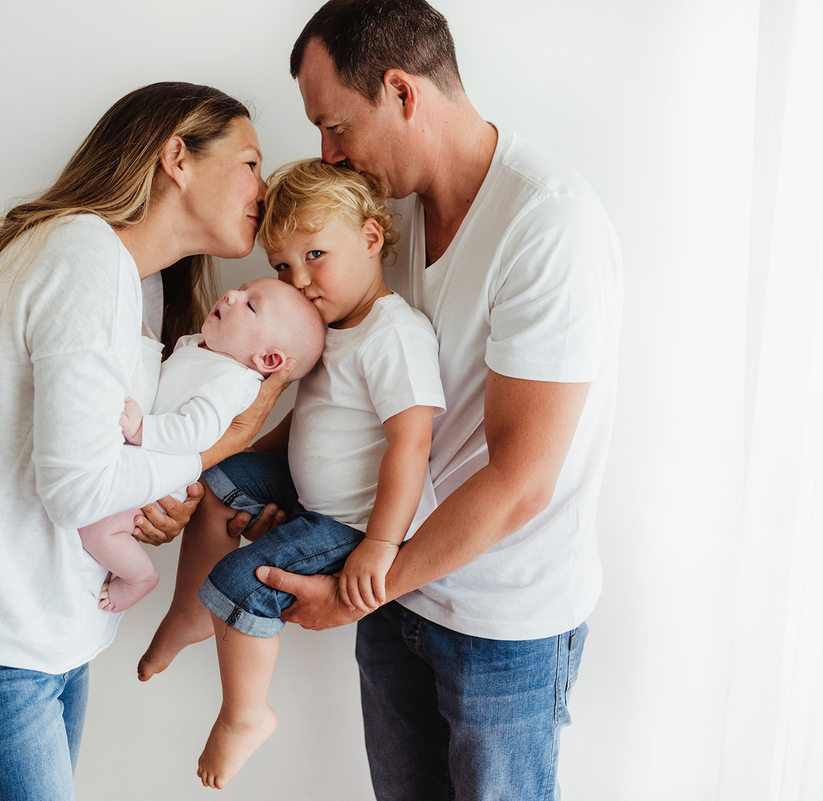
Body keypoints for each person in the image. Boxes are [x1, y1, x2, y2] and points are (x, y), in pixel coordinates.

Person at [241, 2, 623, 799]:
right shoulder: (380, 221)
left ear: (402, 93)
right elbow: (343, 402)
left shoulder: (546, 223)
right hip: (392, 596)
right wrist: (263, 484)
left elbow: (521, 481)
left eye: (335, 126)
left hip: (502, 629)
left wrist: (361, 588)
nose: (327, 155)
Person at [0, 82, 292, 801]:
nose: (265, 186)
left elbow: (104, 463)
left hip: (43, 636)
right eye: (252, 162)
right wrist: (226, 441)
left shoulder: (141, 284)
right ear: (177, 157)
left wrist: (157, 503)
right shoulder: (84, 257)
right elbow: (75, 488)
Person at [139, 158, 446, 789]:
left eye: (314, 255)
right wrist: (224, 459)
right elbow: (306, 432)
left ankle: (245, 714)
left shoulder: (394, 335)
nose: (298, 280)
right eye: (283, 267)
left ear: (370, 237)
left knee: (243, 581)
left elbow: (410, 447)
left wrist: (381, 547)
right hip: (314, 496)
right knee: (225, 482)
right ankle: (192, 610)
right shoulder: (329, 331)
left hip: (357, 522)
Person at [78, 277, 325, 612]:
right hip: (142, 462)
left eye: (250, 304)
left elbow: (196, 432)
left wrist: (141, 429)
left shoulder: (233, 381)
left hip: (159, 489)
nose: (232, 295)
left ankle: (139, 578)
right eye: (240, 288)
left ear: (267, 360)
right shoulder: (200, 347)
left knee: (97, 529)